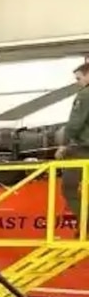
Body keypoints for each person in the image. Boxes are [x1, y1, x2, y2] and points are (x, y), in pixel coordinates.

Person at [55, 58, 89, 222]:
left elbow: (75, 124)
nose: (78, 83)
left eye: (79, 78)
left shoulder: (85, 94)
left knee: (69, 188)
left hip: (83, 150)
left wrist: (63, 144)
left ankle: (86, 224)